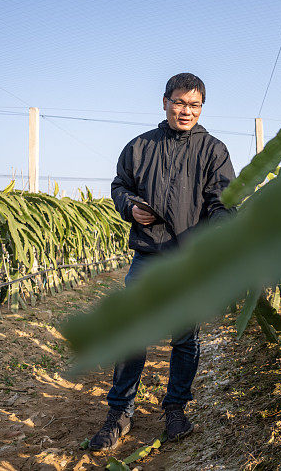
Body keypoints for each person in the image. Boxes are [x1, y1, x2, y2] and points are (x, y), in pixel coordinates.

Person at [89, 73, 235, 452]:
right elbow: (120, 186)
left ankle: (176, 410)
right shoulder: (139, 147)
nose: (186, 111)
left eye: (194, 105)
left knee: (184, 338)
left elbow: (222, 200)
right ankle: (119, 413)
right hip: (148, 255)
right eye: (180, 102)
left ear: (201, 107)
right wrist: (130, 207)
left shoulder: (213, 150)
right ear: (165, 102)